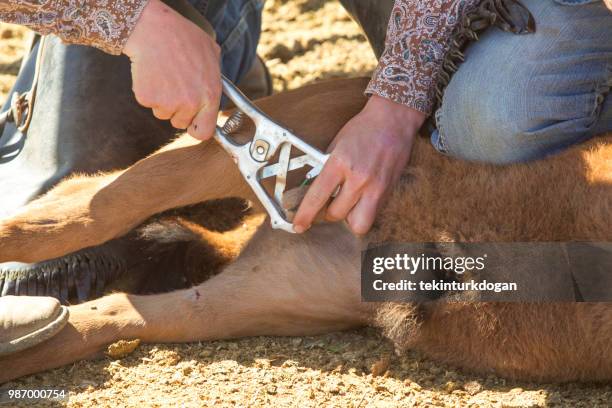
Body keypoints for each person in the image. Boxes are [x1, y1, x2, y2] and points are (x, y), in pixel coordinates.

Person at [0, 0, 610, 351]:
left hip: (408, 249)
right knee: (69, 220)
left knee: (500, 119)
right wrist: (132, 20)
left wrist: (395, 106)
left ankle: (249, 115)